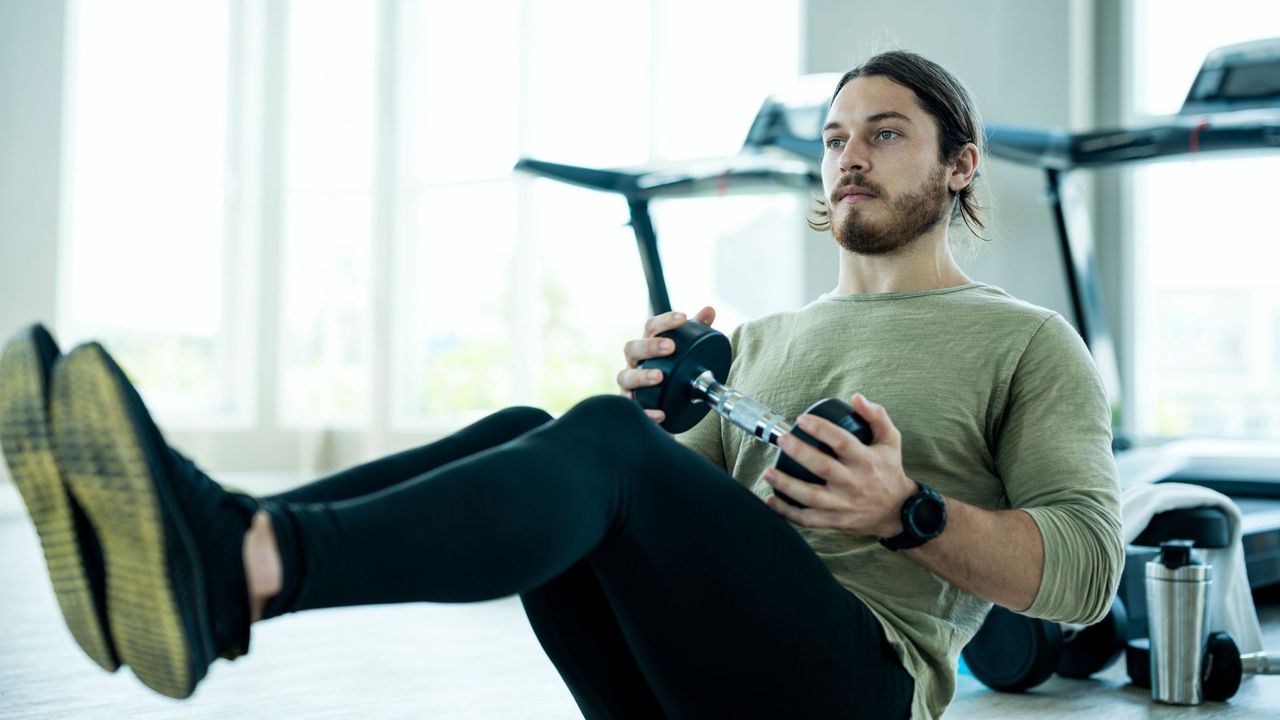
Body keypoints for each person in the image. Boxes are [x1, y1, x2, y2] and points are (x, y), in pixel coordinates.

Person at [0, 51, 1122, 719]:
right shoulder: (771, 337)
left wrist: (906, 512)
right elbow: (659, 528)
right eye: (833, 139)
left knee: (590, 439)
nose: (848, 159)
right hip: (694, 682)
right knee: (532, 424)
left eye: (885, 134)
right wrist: (653, 422)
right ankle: (236, 542)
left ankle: (241, 561)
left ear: (959, 164)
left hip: (856, 690)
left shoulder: (1024, 344)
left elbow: (1079, 574)